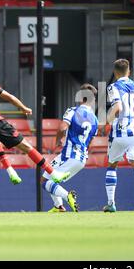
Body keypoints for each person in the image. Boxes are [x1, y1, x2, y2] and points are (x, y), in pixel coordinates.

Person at [103, 59, 134, 213]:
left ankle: (111, 203)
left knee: (112, 165)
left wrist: (106, 121)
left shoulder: (113, 87)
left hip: (119, 132)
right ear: (129, 71)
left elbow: (117, 107)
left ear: (115, 72)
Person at [41, 84, 99, 213]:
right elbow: (90, 141)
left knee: (46, 182)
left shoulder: (73, 111)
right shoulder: (95, 119)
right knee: (46, 177)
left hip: (70, 155)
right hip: (80, 158)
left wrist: (58, 140)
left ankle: (68, 196)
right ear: (92, 100)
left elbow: (62, 127)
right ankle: (58, 206)